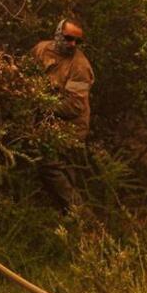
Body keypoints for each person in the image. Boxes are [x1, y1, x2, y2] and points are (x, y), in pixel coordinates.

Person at [30, 18, 94, 209]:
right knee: (56, 170)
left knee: (51, 166)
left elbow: (74, 106)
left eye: (77, 41)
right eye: (68, 38)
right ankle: (66, 215)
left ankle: (80, 216)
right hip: (48, 122)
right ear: (58, 34)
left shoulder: (80, 66)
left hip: (71, 127)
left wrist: (42, 106)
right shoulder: (41, 49)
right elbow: (27, 72)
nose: (72, 44)